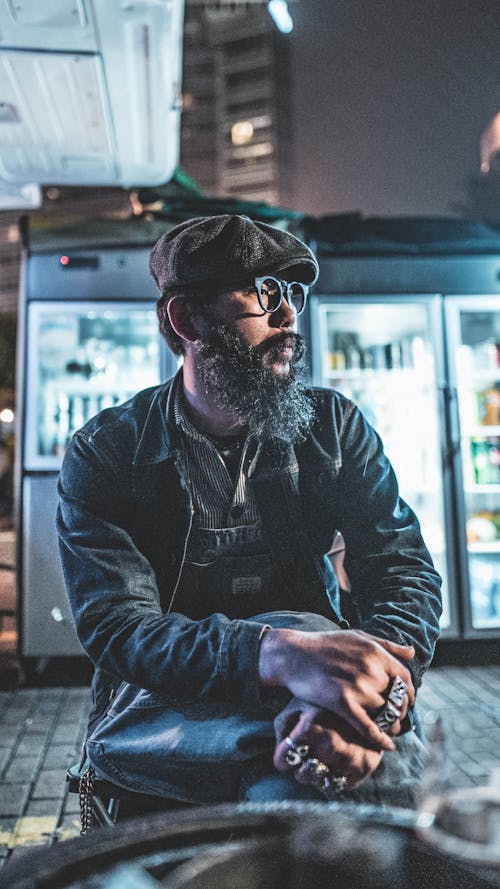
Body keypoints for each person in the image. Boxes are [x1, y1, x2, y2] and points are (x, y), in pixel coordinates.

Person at [57, 214, 442, 809]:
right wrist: (276, 652)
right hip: (170, 702)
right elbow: (119, 627)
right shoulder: (106, 452)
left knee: (339, 796)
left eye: (293, 293)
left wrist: (373, 692)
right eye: (264, 292)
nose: (288, 315)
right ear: (186, 319)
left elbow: (402, 569)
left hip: (316, 684)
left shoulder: (333, 427)